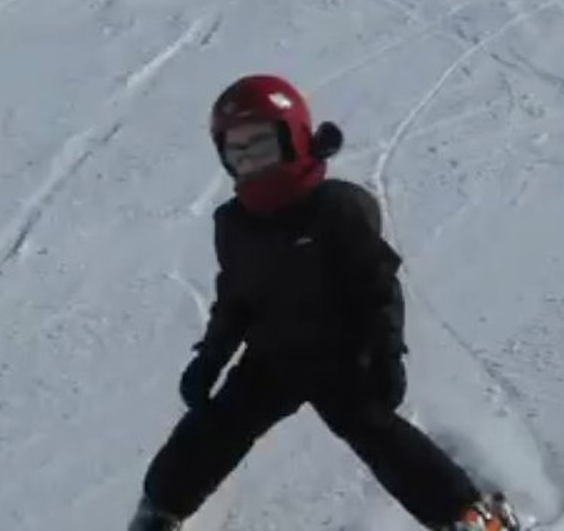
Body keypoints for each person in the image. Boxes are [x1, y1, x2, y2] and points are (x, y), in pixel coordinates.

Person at [128, 75, 520, 531]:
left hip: (341, 358)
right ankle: (158, 512)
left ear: (294, 139)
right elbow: (235, 301)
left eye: (261, 146)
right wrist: (209, 359)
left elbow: (379, 289)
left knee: (380, 437)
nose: (251, 161)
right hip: (271, 361)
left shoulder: (338, 208)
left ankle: (474, 518)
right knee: (213, 430)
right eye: (237, 151)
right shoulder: (234, 224)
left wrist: (385, 355)